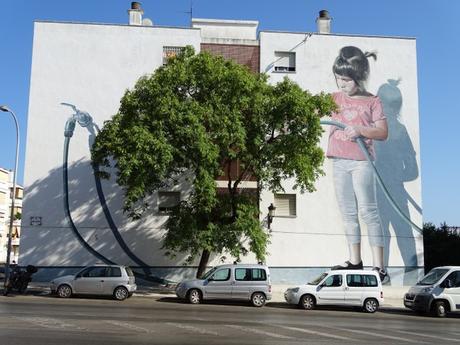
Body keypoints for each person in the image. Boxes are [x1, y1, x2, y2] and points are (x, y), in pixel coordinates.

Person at [327, 46, 388, 282]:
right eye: (338, 78)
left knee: (368, 211)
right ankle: (355, 261)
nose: (341, 84)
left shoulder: (373, 101)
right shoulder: (333, 98)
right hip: (339, 161)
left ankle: (379, 267)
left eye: (346, 80)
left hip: (362, 162)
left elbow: (382, 132)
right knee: (348, 213)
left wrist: (360, 130)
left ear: (359, 77)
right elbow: (313, 113)